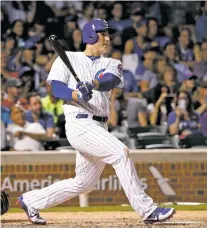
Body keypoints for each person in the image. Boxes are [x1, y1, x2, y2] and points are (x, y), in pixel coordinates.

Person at [17, 18, 175, 225]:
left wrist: (92, 84)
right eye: (103, 33)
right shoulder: (68, 58)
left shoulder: (112, 63)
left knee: (83, 183)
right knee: (120, 153)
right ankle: (147, 210)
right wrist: (75, 94)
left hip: (99, 125)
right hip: (79, 123)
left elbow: (110, 80)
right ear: (90, 36)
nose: (108, 38)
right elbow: (57, 88)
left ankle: (30, 200)